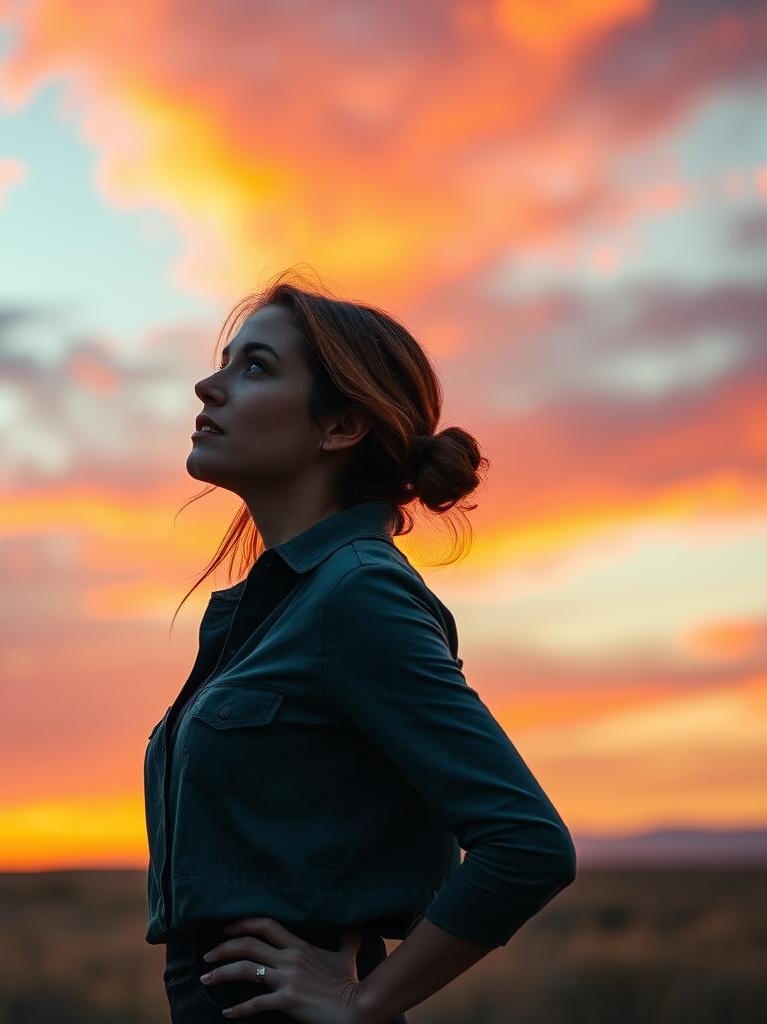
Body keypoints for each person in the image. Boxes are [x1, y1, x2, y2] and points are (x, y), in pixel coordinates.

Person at [143, 267, 577, 1023]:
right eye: (225, 360)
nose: (207, 388)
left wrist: (362, 1002)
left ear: (339, 427)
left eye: (255, 367)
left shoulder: (356, 595)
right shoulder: (279, 607)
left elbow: (527, 843)